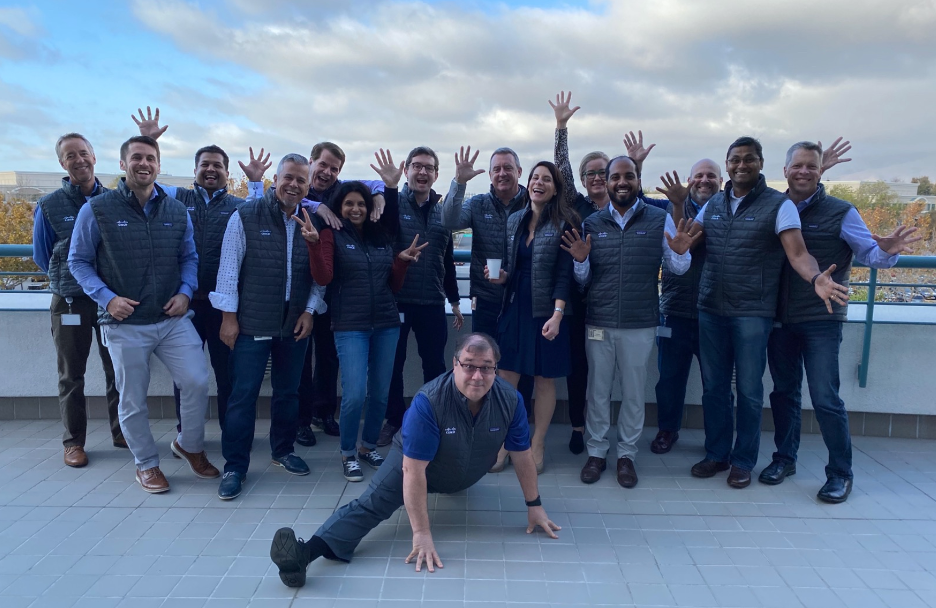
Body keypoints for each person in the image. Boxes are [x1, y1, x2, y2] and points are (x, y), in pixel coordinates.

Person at [269, 333, 560, 588]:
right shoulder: (429, 401)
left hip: (465, 470)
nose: (477, 375)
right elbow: (413, 470)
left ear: (496, 369)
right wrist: (421, 533)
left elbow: (522, 455)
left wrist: (535, 505)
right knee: (372, 505)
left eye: (486, 368)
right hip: (417, 465)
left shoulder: (510, 400)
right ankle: (303, 556)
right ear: (455, 364)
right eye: (469, 365)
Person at [686, 136, 849, 489]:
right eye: (734, 160)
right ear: (726, 164)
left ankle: (743, 460)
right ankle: (717, 453)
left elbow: (798, 254)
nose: (741, 165)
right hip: (711, 308)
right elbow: (688, 242)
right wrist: (681, 246)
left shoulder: (780, 205)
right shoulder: (713, 203)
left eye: (748, 159)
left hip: (753, 312)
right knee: (714, 388)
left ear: (761, 164)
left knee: (748, 389)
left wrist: (816, 277)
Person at [763, 140, 920, 503]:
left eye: (812, 167)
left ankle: (840, 473)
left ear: (821, 172)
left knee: (825, 397)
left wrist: (886, 251)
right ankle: (784, 459)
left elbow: (871, 254)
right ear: (785, 170)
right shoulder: (772, 205)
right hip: (778, 318)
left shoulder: (841, 211)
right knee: (783, 393)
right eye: (798, 165)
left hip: (822, 317)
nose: (804, 172)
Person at [68, 135, 219, 493]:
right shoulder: (98, 210)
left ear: (159, 165)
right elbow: (78, 261)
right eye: (137, 157)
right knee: (132, 396)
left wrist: (185, 292)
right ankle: (146, 463)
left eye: (151, 158)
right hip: (124, 322)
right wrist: (106, 299)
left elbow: (189, 258)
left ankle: (189, 446)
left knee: (197, 381)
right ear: (123, 164)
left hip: (171, 319)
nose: (144, 163)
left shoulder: (176, 209)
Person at [563, 156, 695, 488]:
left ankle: (626, 456)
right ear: (606, 183)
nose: (622, 182)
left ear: (638, 180)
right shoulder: (591, 224)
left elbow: (678, 270)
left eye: (629, 176)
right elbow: (583, 280)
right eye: (616, 177)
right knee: (598, 393)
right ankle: (596, 453)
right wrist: (580, 261)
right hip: (599, 321)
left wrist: (680, 253)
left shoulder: (659, 218)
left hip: (640, 322)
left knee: (634, 394)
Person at [244, 141, 387, 446]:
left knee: (328, 356)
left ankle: (324, 413)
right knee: (301, 360)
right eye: (322, 165)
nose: (327, 172)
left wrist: (377, 195)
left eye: (334, 168)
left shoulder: (339, 191)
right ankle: (301, 420)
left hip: (331, 290)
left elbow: (374, 183)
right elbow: (262, 206)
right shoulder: (298, 192)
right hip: (297, 288)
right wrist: (316, 206)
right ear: (310, 163)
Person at [549, 91, 666, 454]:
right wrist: (561, 129)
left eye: (606, 172)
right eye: (593, 173)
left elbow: (638, 199)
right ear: (584, 180)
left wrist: (637, 167)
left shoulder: (639, 207)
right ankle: (582, 430)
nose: (600, 178)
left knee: (627, 385)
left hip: (628, 308)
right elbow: (562, 171)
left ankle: (621, 449)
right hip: (585, 302)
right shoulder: (578, 208)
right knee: (587, 376)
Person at [298, 150, 423, 482]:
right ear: (340, 206)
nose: (356, 209)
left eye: (362, 204)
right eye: (349, 203)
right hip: (349, 325)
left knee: (380, 391)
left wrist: (402, 262)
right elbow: (323, 277)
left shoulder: (381, 238)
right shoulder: (331, 234)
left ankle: (368, 447)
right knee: (354, 393)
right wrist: (312, 245)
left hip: (385, 323)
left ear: (370, 208)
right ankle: (348, 453)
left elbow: (392, 284)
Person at [210, 153, 327, 500]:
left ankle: (283, 451)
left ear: (307, 186)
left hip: (294, 322)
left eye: (301, 180)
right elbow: (229, 270)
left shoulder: (311, 221)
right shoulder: (246, 215)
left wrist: (309, 311)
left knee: (288, 392)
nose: (293, 185)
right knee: (242, 395)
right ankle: (235, 466)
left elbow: (319, 275)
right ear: (275, 180)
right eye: (288, 177)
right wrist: (228, 318)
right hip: (251, 321)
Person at [132, 106, 246, 433]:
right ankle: (187, 434)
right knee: (186, 376)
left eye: (218, 166)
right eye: (205, 165)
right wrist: (148, 141)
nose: (211, 170)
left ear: (227, 172)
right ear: (194, 169)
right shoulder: (175, 198)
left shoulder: (239, 207)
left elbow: (270, 211)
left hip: (224, 306)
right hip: (183, 304)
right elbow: (140, 186)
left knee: (228, 374)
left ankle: (231, 432)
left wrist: (254, 183)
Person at [33, 132, 126, 467]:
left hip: (109, 299)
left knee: (117, 368)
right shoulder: (49, 205)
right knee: (71, 374)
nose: (78, 160)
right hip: (69, 301)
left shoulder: (115, 200)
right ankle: (73, 442)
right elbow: (42, 255)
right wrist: (72, 281)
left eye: (83, 153)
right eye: (70, 155)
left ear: (94, 157)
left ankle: (121, 432)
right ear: (62, 163)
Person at [487, 161, 577, 474]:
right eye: (535, 178)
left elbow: (565, 274)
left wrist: (557, 314)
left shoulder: (565, 222)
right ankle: (503, 442)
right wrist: (501, 278)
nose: (539, 183)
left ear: (555, 188)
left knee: (543, 380)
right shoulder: (515, 221)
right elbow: (513, 268)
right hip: (515, 306)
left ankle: (537, 442)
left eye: (546, 179)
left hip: (547, 311)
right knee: (506, 378)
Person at [440, 146, 535, 433]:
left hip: (522, 299)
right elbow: (448, 222)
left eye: (508, 168)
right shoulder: (478, 204)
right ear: (490, 175)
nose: (502, 173)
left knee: (521, 364)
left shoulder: (534, 202)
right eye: (497, 169)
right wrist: (459, 183)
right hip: (487, 300)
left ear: (520, 172)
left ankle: (518, 421)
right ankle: (485, 421)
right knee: (482, 363)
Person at [378, 146, 464, 447]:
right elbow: (379, 243)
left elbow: (447, 260)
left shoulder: (444, 212)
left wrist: (454, 302)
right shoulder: (391, 204)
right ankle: (394, 419)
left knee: (435, 365)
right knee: (393, 364)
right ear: (407, 170)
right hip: (395, 300)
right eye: (417, 166)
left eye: (429, 167)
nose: (423, 172)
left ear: (436, 174)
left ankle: (434, 417)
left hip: (431, 302)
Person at [649, 160, 724, 455]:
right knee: (668, 378)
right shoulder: (667, 208)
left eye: (711, 176)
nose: (705, 181)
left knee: (715, 383)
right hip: (674, 310)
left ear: (721, 180)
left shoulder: (725, 210)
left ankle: (716, 441)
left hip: (714, 312)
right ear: (690, 180)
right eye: (699, 176)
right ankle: (668, 430)